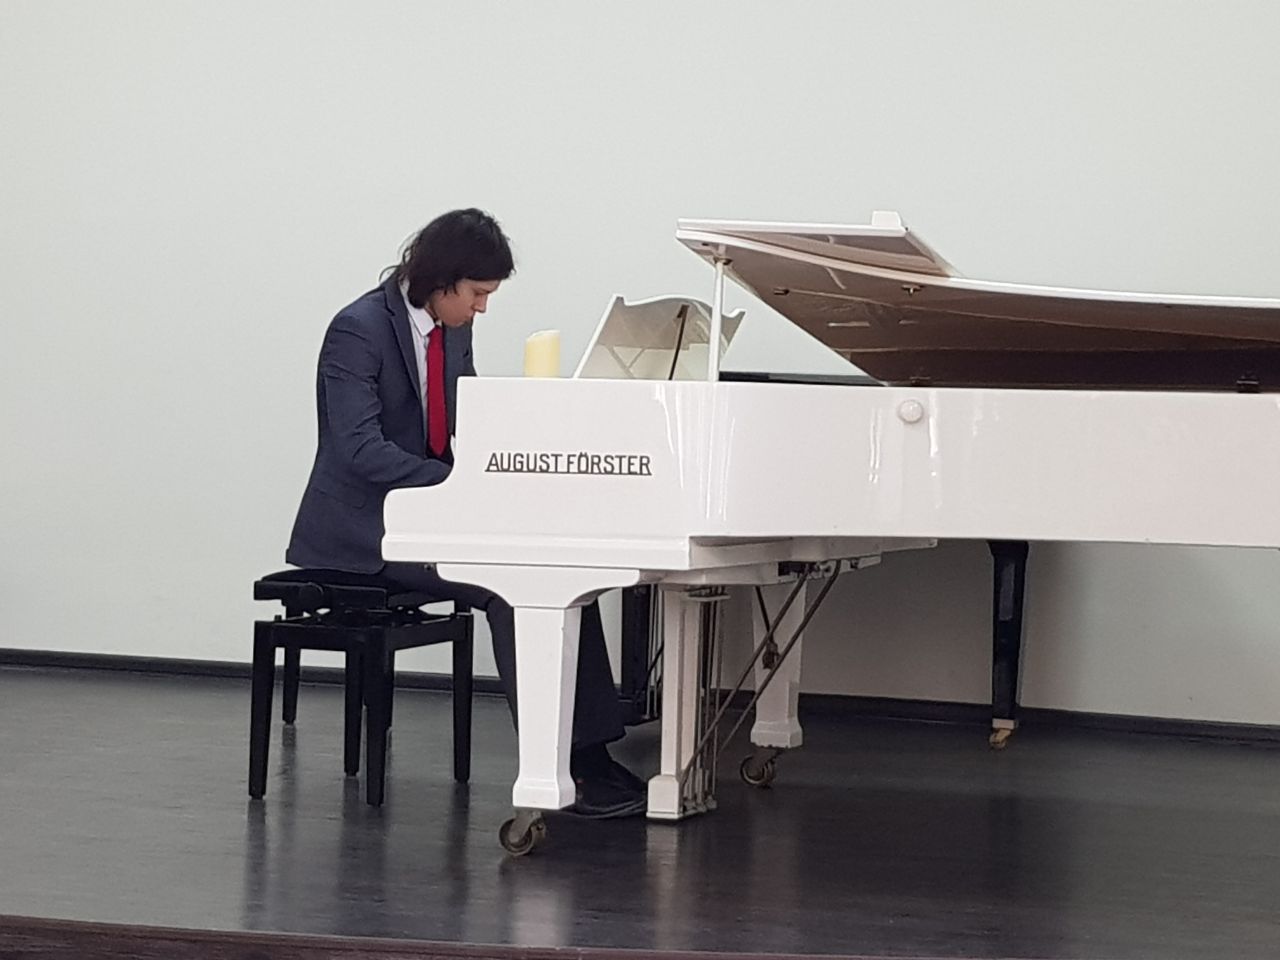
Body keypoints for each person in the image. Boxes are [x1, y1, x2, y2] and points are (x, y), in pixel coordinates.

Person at [285, 208, 645, 818]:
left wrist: (519, 459)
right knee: (511, 589)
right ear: (441, 279)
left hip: (427, 519)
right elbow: (358, 449)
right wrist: (459, 484)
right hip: (363, 534)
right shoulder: (357, 329)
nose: (482, 308)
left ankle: (591, 753)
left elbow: (469, 423)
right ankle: (561, 766)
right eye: (477, 293)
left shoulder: (452, 330)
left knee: (565, 573)